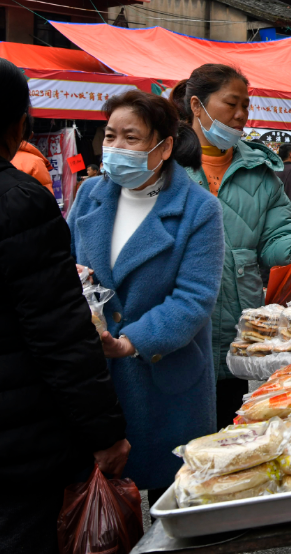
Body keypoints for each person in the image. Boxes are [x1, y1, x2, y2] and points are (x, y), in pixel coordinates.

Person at [0, 54, 129, 554]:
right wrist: (105, 431)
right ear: (20, 121)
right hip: (15, 445)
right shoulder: (18, 200)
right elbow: (59, 332)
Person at [175, 63, 291, 554]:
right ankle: (174, 552)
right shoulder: (168, 162)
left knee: (224, 439)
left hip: (234, 328)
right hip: (176, 327)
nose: (243, 114)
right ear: (196, 106)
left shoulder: (258, 170)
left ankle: (221, 547)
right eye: (232, 103)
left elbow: (276, 237)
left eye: (247, 104)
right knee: (174, 444)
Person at [68, 89, 224, 512]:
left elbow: (194, 298)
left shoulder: (199, 209)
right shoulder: (90, 195)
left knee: (171, 508)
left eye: (131, 138)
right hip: (97, 385)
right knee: (100, 516)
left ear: (164, 146)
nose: (116, 148)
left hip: (165, 379)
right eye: (110, 136)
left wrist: (131, 341)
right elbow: (63, 266)